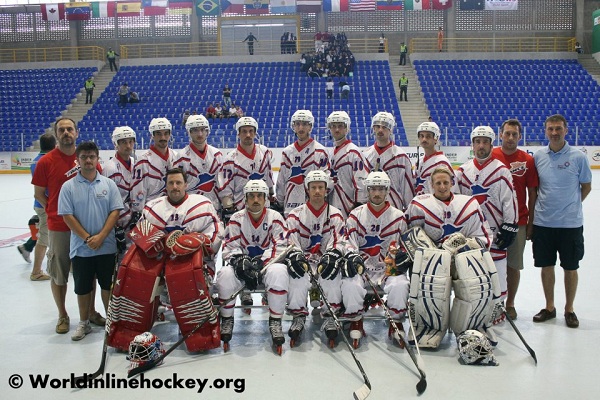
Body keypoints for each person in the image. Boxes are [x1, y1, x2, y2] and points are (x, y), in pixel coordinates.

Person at [108, 168, 223, 352]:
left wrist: (201, 241)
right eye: (171, 183)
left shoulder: (203, 204)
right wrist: (156, 243)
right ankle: (128, 332)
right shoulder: (153, 207)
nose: (175, 187)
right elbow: (140, 233)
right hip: (158, 263)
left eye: (178, 183)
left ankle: (200, 336)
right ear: (165, 185)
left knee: (189, 278)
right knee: (132, 275)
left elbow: (216, 233)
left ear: (186, 185)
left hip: (191, 262)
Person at [405, 167, 494, 347]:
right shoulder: (419, 205)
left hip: (462, 261)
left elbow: (484, 237)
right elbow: (411, 235)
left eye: (446, 182)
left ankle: (472, 326)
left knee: (475, 283)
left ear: (452, 183)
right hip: (435, 263)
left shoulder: (469, 204)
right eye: (438, 183)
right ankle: (429, 327)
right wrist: (432, 252)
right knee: (431, 282)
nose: (442, 186)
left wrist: (465, 246)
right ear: (431, 185)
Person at [31, 118, 105, 334]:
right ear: (56, 134)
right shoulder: (46, 162)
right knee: (59, 273)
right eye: (61, 130)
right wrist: (57, 210)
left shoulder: (86, 158)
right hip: (59, 228)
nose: (66, 133)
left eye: (69, 129)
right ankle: (62, 315)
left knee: (88, 273)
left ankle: (90, 312)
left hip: (86, 226)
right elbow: (39, 194)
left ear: (76, 132)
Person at [58, 141, 123, 341]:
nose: (88, 160)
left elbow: (115, 211)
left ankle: (111, 321)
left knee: (107, 285)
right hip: (81, 249)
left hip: (106, 247)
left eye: (91, 157)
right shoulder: (68, 187)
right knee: (83, 287)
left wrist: (101, 236)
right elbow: (67, 216)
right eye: (84, 157)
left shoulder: (108, 184)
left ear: (97, 159)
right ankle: (84, 323)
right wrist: (87, 238)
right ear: (77, 160)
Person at [531, 114, 592, 329]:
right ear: (545, 131)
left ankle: (569, 309)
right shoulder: (538, 157)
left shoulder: (579, 157)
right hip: (543, 223)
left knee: (570, 267)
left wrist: (571, 205)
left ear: (566, 130)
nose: (554, 133)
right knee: (546, 266)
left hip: (570, 225)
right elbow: (536, 189)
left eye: (558, 129)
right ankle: (549, 307)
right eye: (550, 129)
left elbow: (586, 187)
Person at [216, 180, 288, 352]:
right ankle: (226, 318)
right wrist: (240, 261)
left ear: (265, 199)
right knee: (225, 274)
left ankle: (275, 321)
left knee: (279, 271)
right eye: (252, 196)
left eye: (259, 196)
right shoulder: (236, 218)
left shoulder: (275, 218)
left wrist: (261, 262)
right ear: (246, 199)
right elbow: (230, 248)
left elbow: (280, 247)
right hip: (243, 271)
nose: (256, 200)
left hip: (266, 268)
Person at [455, 126, 518, 319]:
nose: (481, 145)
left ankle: (497, 309)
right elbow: (457, 200)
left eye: (485, 141)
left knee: (498, 271)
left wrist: (510, 224)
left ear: (491, 144)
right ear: (472, 144)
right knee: (470, 273)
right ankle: (474, 309)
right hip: (470, 234)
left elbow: (509, 199)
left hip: (495, 231)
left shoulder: (501, 170)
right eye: (477, 141)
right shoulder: (463, 171)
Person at [344, 171, 410, 347]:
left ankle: (395, 321)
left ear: (387, 190)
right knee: (350, 284)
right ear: (367, 190)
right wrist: (352, 257)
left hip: (388, 268)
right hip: (362, 268)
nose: (377, 193)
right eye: (373, 188)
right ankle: (356, 319)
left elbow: (405, 246)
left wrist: (404, 256)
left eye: (381, 188)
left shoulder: (398, 216)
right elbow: (349, 243)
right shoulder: (355, 215)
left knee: (401, 285)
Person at [286, 170, 346, 346]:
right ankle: (298, 316)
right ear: (307, 189)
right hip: (304, 263)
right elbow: (291, 242)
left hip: (324, 262)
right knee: (297, 279)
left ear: (327, 189)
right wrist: (296, 255)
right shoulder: (295, 214)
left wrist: (332, 255)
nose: (317, 191)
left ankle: (330, 315)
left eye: (321, 187)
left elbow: (338, 242)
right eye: (314, 187)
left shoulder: (335, 214)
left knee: (332, 276)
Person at [491, 119, 539, 320]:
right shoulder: (491, 155)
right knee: (490, 264)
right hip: (491, 222)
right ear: (500, 134)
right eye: (507, 133)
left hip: (518, 222)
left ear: (520, 136)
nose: (510, 138)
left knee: (513, 265)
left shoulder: (527, 160)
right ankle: (491, 301)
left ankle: (509, 303)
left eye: (514, 134)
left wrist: (530, 223)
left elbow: (532, 193)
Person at [217, 117, 274, 221]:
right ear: (238, 134)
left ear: (255, 132)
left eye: (251, 131)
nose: (248, 135)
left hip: (264, 209)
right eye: (244, 131)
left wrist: (271, 195)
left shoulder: (264, 152)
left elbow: (269, 179)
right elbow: (225, 189)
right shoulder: (230, 159)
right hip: (241, 212)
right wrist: (228, 207)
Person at [275, 110, 330, 217]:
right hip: (290, 208)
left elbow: (326, 182)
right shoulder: (287, 152)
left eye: (305, 124)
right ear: (293, 126)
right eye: (297, 124)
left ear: (310, 127)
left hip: (313, 209)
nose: (301, 128)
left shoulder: (320, 151)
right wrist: (280, 201)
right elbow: (281, 180)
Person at [19, 133, 56, 281]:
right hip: (46, 203)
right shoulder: (47, 161)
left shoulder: (35, 161)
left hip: (41, 204)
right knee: (45, 236)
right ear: (54, 146)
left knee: (49, 234)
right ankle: (36, 271)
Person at [363, 112, 415, 211]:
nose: (380, 130)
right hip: (370, 211)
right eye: (377, 126)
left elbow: (407, 189)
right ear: (373, 128)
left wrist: (409, 211)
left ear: (391, 130)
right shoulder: (365, 155)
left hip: (394, 211)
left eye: (384, 127)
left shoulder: (401, 157)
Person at [173, 115, 224, 211]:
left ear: (207, 131)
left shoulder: (217, 155)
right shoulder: (181, 157)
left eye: (202, 130)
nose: (200, 134)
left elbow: (222, 185)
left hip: (214, 209)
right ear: (189, 132)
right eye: (195, 130)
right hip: (190, 210)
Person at [101, 126, 137, 260]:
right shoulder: (110, 168)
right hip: (118, 225)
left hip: (133, 223)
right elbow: (106, 202)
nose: (128, 146)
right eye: (123, 142)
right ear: (116, 144)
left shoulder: (135, 163)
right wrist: (115, 228)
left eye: (130, 141)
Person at [130, 118, 177, 213]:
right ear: (152, 135)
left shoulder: (176, 157)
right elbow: (137, 191)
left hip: (174, 211)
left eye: (166, 133)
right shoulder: (143, 160)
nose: (163, 137)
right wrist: (140, 213)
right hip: (152, 212)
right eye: (159, 134)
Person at [327, 111, 368, 219]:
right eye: (333, 126)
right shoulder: (330, 152)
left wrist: (359, 204)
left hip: (349, 206)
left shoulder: (353, 152)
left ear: (347, 128)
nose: (336, 129)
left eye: (340, 126)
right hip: (332, 205)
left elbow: (361, 181)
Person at [414, 121, 453, 196]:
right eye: (421, 136)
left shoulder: (442, 162)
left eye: (428, 136)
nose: (424, 139)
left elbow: (451, 190)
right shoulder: (420, 161)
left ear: (436, 138)